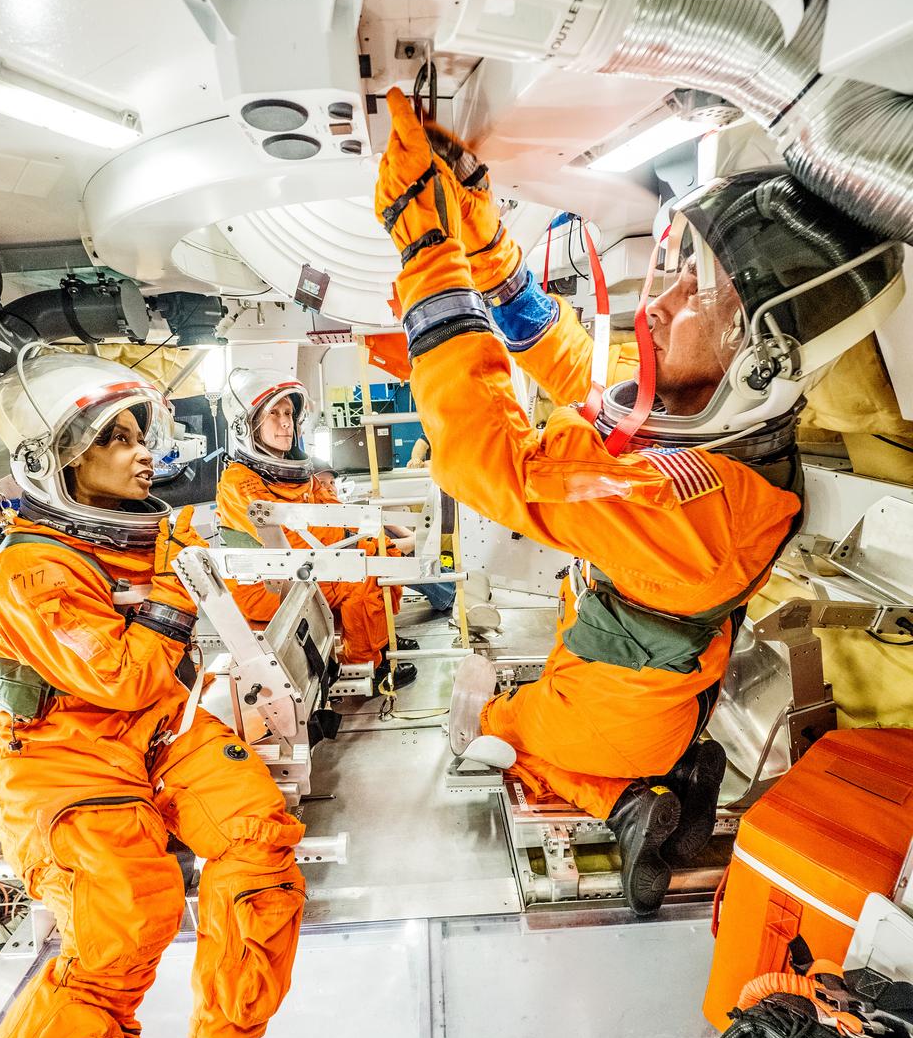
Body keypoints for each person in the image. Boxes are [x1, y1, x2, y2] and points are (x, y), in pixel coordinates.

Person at [375, 88, 904, 914]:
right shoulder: (712, 444)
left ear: (757, 359)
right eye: (678, 267)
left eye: (696, 292)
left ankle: (631, 806)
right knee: (521, 722)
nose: (658, 298)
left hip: (617, 719)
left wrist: (429, 256)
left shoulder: (686, 502)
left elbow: (486, 462)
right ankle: (672, 791)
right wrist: (476, 237)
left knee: (504, 731)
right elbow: (576, 372)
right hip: (649, 703)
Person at [0, 352, 306, 1038]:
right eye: (113, 439)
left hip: (154, 734)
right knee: (123, 931)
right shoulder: (31, 569)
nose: (140, 451)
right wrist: (172, 591)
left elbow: (151, 682)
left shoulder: (142, 537)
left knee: (259, 837)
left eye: (140, 432)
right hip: (63, 756)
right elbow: (118, 672)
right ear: (58, 461)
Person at [215, 372, 417, 690]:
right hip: (265, 585)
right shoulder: (240, 481)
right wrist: (349, 544)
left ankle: (381, 642)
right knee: (361, 575)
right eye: (275, 414)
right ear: (248, 425)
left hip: (304, 567)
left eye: (289, 414)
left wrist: (363, 533)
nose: (286, 423)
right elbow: (290, 541)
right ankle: (361, 668)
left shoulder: (299, 473)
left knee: (378, 550)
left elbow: (331, 517)